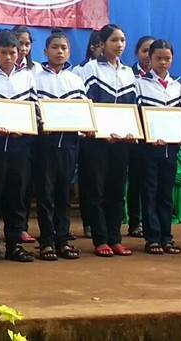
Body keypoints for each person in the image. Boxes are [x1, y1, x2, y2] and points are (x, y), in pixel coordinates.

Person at [0, 29, 38, 263]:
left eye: (13, 52)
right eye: (3, 52)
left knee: (18, 196)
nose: (9, 57)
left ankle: (14, 245)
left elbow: (34, 109)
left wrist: (27, 127)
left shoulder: (27, 77)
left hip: (21, 146)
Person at [79, 24, 137, 258]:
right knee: (96, 190)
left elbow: (132, 107)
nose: (119, 44)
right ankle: (100, 239)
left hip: (121, 142)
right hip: (96, 142)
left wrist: (132, 130)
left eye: (122, 40)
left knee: (117, 190)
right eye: (114, 40)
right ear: (101, 44)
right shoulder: (89, 69)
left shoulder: (128, 72)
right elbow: (84, 104)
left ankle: (115, 238)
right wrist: (96, 130)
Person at [32, 30, 85, 261]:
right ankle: (46, 241)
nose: (59, 51)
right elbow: (30, 110)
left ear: (69, 52)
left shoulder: (76, 80)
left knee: (64, 194)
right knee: (45, 194)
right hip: (44, 144)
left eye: (63, 48)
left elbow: (83, 113)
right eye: (54, 47)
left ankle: (63, 240)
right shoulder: (34, 78)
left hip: (69, 145)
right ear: (45, 51)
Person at [135, 39, 181, 255]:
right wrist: (149, 136)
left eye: (167, 58)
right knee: (150, 192)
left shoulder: (178, 87)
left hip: (171, 149)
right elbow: (138, 116)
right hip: (149, 149)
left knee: (166, 193)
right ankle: (152, 238)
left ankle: (167, 237)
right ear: (150, 58)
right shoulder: (140, 84)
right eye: (158, 58)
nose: (163, 62)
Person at [75, 29, 104, 239]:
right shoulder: (81, 70)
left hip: (112, 137)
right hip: (87, 135)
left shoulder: (124, 72)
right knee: (89, 180)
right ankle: (89, 222)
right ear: (93, 47)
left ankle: (105, 227)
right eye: (102, 44)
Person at [11, 25, 38, 244]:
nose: (23, 48)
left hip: (31, 137)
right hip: (5, 138)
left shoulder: (36, 70)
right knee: (4, 185)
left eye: (27, 44)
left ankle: (21, 227)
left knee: (25, 184)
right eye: (20, 43)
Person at [127, 35, 155, 239]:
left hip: (155, 138)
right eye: (145, 50)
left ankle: (150, 222)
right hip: (134, 136)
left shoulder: (165, 79)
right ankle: (134, 222)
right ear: (136, 53)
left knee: (150, 183)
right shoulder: (128, 75)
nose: (148, 55)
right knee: (135, 180)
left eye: (151, 51)